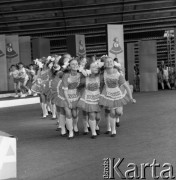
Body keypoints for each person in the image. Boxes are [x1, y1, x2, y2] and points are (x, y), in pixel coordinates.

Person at [99, 57, 136, 137]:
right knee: (112, 112)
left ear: (113, 63)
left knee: (118, 112)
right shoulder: (103, 74)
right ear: (104, 65)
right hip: (108, 95)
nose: (109, 63)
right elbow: (100, 84)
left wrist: (131, 98)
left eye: (111, 61)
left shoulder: (118, 74)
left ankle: (117, 117)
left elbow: (126, 87)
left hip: (118, 95)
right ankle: (113, 130)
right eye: (107, 62)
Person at [56, 58, 81, 139]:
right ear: (69, 66)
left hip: (76, 95)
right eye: (73, 64)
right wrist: (69, 102)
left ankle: (74, 126)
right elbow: (65, 90)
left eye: (76, 64)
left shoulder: (80, 74)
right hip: (65, 95)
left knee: (75, 114)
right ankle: (70, 131)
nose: (75, 65)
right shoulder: (66, 75)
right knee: (68, 113)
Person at [77, 60, 101, 139]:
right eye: (93, 67)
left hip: (98, 97)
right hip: (88, 98)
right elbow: (78, 85)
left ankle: (95, 125)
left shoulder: (100, 76)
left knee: (97, 117)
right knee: (91, 114)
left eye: (96, 66)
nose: (96, 68)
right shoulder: (85, 78)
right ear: (88, 69)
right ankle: (93, 132)